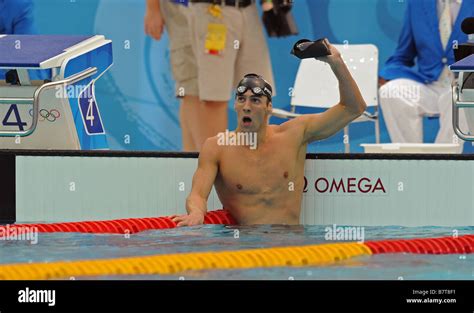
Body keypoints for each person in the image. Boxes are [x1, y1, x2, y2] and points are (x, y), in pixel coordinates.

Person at [171, 42, 367, 226]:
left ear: (269, 108)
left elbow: (353, 108)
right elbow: (197, 195)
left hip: (289, 246)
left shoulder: (295, 134)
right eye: (241, 99)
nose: (246, 106)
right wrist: (196, 212)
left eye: (255, 100)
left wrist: (337, 64)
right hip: (245, 250)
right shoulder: (216, 148)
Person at [379, 0, 474, 151]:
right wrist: (386, 75)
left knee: (460, 94)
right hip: (430, 84)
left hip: (464, 84)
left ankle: (442, 161)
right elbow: (403, 54)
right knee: (391, 91)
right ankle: (411, 159)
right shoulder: (417, 4)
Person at [185, 0, 275, 151]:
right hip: (214, 12)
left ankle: (255, 161)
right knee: (215, 97)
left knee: (259, 92)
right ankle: (216, 164)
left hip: (249, 10)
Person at [145, 0, 202, 151]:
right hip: (182, 7)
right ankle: (202, 159)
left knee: (197, 89)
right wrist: (153, 8)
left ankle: (194, 158)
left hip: (211, 11)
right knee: (192, 87)